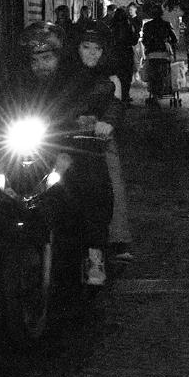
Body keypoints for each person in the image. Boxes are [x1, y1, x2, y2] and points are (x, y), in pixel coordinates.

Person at [6, 21, 115, 286]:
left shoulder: (77, 77)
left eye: (47, 58)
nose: (40, 65)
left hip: (73, 148)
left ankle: (94, 253)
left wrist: (99, 120)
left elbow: (103, 93)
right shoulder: (19, 81)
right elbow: (3, 104)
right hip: (37, 149)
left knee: (92, 186)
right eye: (34, 60)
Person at [61, 23, 133, 264]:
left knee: (111, 182)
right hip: (67, 140)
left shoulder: (110, 79)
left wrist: (105, 123)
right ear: (77, 48)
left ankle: (116, 239)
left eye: (97, 48)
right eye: (86, 47)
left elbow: (115, 105)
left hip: (97, 142)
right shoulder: (65, 76)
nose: (92, 53)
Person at [141, 1, 178, 106]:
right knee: (166, 72)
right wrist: (168, 43)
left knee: (151, 73)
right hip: (164, 55)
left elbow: (144, 40)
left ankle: (154, 92)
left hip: (151, 54)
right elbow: (174, 39)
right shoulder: (166, 24)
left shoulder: (147, 25)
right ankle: (163, 89)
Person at [110, 2, 142, 106]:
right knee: (126, 76)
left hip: (115, 53)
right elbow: (134, 40)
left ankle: (117, 96)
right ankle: (125, 96)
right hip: (126, 53)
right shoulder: (128, 26)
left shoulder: (112, 27)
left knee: (117, 75)